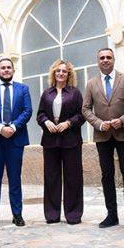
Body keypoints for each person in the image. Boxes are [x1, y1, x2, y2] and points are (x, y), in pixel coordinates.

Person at [82, 48, 124, 230]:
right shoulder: (91, 83)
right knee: (107, 175)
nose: (105, 60)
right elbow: (85, 109)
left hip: (123, 134)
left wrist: (122, 121)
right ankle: (111, 215)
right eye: (102, 58)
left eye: (108, 57)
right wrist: (99, 124)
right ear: (97, 61)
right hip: (102, 135)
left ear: (114, 60)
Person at [0, 58, 33, 229]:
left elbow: (28, 111)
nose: (6, 70)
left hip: (15, 139)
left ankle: (17, 215)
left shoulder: (23, 89)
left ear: (13, 70)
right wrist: (1, 128)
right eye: (3, 68)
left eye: (9, 67)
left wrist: (14, 127)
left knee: (15, 178)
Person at [36, 60, 85, 224]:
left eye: (64, 71)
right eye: (58, 71)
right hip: (50, 141)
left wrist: (69, 123)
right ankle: (52, 214)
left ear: (69, 74)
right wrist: (46, 122)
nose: (61, 74)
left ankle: (73, 215)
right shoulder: (47, 93)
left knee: (73, 177)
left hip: (71, 140)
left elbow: (81, 115)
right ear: (54, 73)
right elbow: (40, 114)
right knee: (51, 177)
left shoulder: (75, 93)